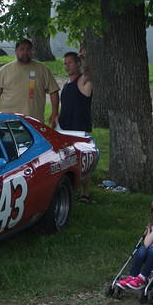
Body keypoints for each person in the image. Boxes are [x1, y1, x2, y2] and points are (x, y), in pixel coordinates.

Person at [0, 38, 59, 126]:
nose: (25, 52)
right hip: (9, 122)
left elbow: (54, 92)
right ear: (16, 51)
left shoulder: (42, 69)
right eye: (22, 49)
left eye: (28, 49)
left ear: (32, 51)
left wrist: (54, 113)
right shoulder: (4, 70)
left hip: (34, 121)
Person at [59, 49, 94, 202]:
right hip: (64, 127)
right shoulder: (67, 84)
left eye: (70, 63)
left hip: (79, 129)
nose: (67, 66)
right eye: (65, 64)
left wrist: (85, 59)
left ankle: (85, 194)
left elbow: (89, 73)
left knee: (83, 161)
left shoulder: (83, 81)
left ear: (78, 64)